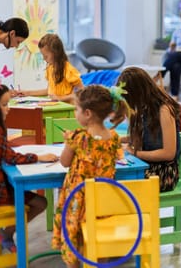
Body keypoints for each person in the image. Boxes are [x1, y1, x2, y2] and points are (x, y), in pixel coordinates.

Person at [51, 84, 128, 268]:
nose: (75, 112)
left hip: (78, 199)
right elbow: (118, 156)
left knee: (74, 237)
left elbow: (64, 162)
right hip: (103, 200)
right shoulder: (114, 138)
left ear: (87, 113)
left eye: (76, 109)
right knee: (99, 240)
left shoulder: (78, 138)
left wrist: (67, 143)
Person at [0, 81, 58, 252]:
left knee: (40, 202)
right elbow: (10, 157)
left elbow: (4, 154)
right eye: (4, 104)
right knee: (41, 203)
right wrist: (38, 157)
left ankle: (3, 234)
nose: (8, 109)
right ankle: (5, 234)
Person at [113, 66, 181, 192]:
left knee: (119, 184)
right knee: (110, 175)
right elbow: (145, 136)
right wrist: (120, 139)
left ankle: (134, 211)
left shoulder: (164, 110)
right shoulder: (143, 107)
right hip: (145, 164)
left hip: (164, 173)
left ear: (139, 93)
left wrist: (134, 153)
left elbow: (168, 153)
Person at [13, 34, 84, 103]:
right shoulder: (50, 68)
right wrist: (27, 93)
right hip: (56, 107)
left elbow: (82, 92)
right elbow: (49, 91)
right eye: (43, 55)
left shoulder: (68, 69)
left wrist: (60, 98)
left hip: (67, 109)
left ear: (56, 53)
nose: (44, 58)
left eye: (46, 56)